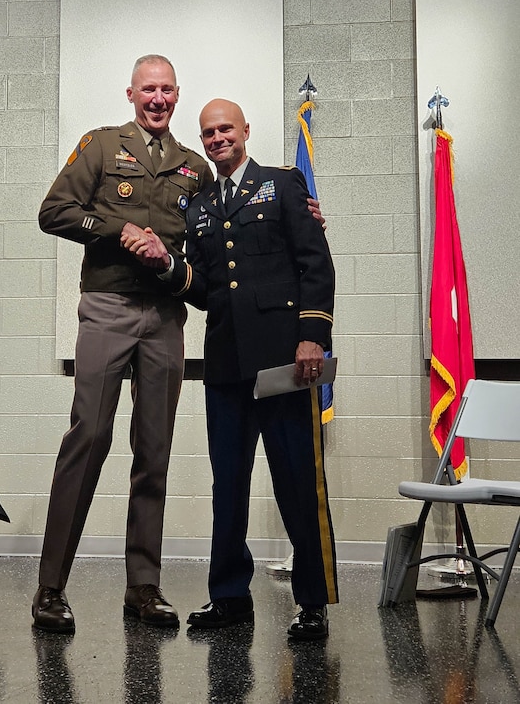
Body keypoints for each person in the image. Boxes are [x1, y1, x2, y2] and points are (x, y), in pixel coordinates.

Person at [122, 98, 338, 641]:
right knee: (229, 487)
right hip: (224, 365)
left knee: (296, 483)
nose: (218, 138)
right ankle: (230, 597)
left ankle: (312, 602)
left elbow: (316, 262)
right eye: (209, 132)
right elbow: (206, 289)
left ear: (246, 130)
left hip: (283, 362)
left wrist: (312, 336)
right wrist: (166, 264)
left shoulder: (283, 186)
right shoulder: (198, 205)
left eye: (226, 129)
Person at [32, 55, 215, 633]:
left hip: (165, 316)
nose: (157, 99)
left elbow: (212, 250)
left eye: (166, 90)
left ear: (177, 95)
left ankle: (143, 587)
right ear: (131, 93)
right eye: (148, 90)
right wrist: (119, 229)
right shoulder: (103, 146)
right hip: (108, 310)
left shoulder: (195, 169)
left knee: (154, 450)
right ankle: (50, 589)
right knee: (88, 436)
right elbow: (54, 211)